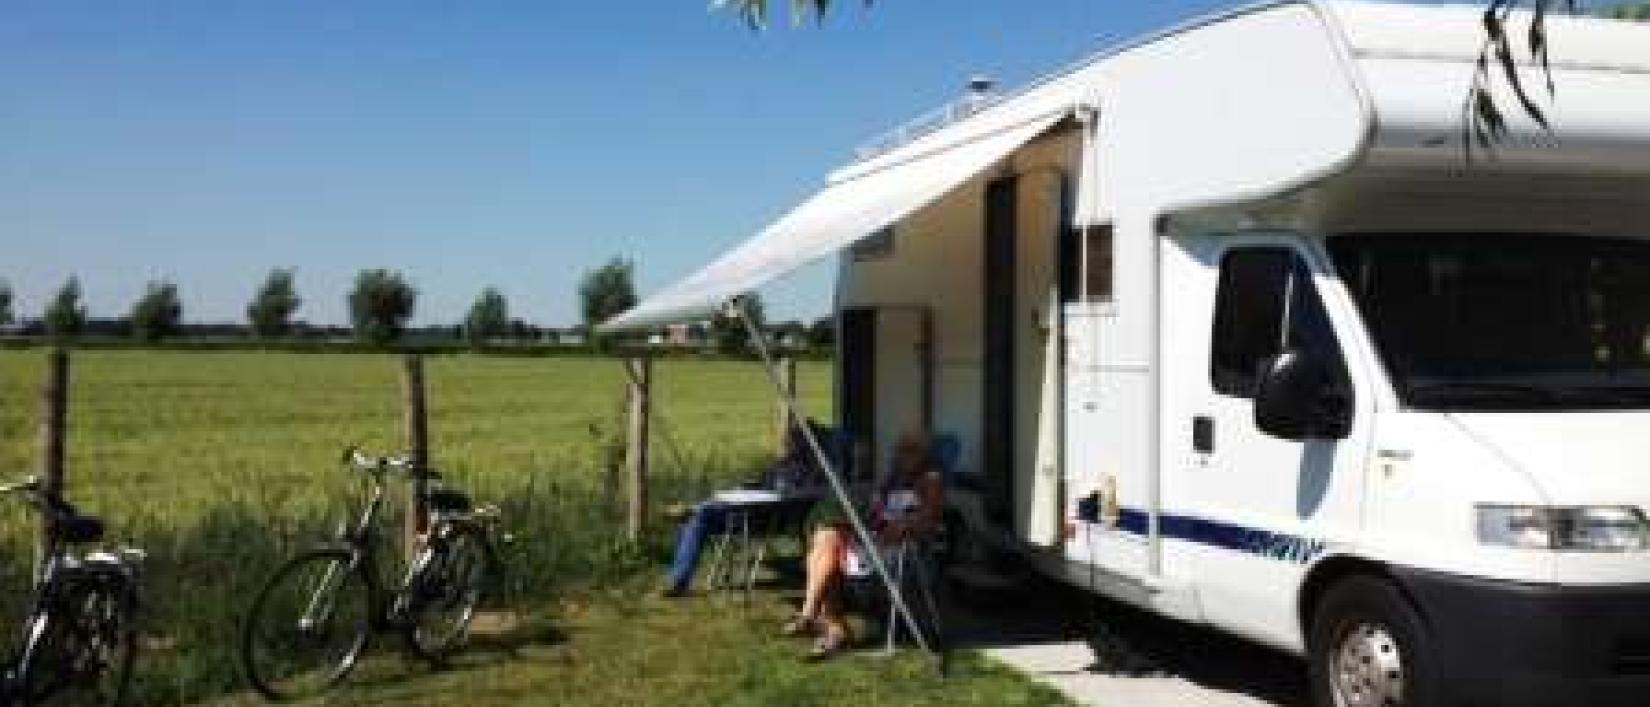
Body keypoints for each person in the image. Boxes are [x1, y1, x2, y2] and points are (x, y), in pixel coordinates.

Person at [783, 429, 943, 660]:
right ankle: (821, 619)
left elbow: (928, 520)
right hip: (877, 544)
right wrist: (866, 520)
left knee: (828, 545)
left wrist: (904, 524)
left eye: (911, 450)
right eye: (900, 450)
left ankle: (824, 622)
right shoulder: (890, 482)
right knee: (827, 536)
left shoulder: (931, 481)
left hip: (906, 555)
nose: (902, 455)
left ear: (925, 455)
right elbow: (875, 514)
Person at [660, 419, 831, 597]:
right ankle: (679, 581)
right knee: (699, 520)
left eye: (797, 438)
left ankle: (693, 509)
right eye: (791, 438)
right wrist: (746, 488)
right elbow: (761, 482)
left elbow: (810, 495)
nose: (791, 443)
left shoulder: (818, 471)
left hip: (769, 518)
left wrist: (779, 496)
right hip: (745, 512)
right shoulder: (782, 465)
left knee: (703, 513)